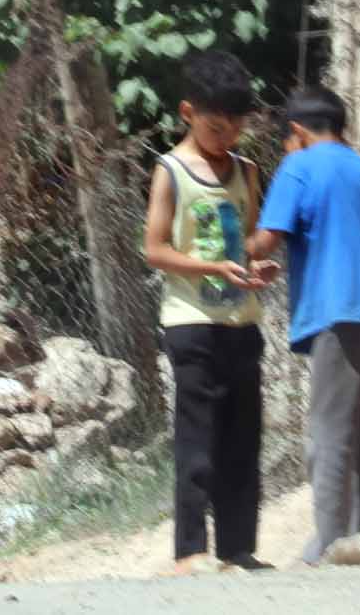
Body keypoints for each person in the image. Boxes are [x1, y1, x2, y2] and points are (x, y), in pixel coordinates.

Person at [246, 86, 360, 568]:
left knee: (330, 431)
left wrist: (230, 249)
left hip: (340, 310)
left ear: (298, 133)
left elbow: (266, 241)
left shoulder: (299, 166)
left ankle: (329, 543)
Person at [140, 49, 275, 575]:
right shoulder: (170, 171)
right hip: (191, 324)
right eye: (216, 126)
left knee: (244, 440)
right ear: (187, 113)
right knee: (198, 442)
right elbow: (153, 249)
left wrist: (258, 267)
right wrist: (212, 268)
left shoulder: (247, 170)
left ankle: (238, 548)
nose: (227, 137)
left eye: (237, 127)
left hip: (243, 322)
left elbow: (251, 241)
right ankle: (190, 551)